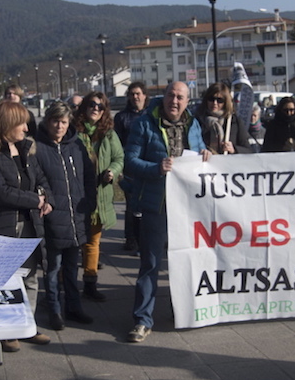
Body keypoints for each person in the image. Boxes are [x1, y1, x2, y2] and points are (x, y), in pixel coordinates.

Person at [124, 82, 210, 343]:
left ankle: (183, 311)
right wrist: (156, 168)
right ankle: (142, 319)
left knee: (185, 261)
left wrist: (207, 153)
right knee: (150, 263)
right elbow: (131, 160)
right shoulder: (144, 123)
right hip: (156, 205)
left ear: (187, 101)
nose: (175, 101)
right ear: (164, 98)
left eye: (180, 97)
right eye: (171, 95)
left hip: (186, 206)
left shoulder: (193, 124)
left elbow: (199, 151)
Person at [0, 100, 53, 351]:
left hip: (29, 223)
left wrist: (46, 199)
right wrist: (35, 200)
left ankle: (27, 324)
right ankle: (6, 330)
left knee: (30, 276)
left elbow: (41, 178)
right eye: (20, 122)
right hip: (2, 226)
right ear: (7, 124)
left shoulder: (27, 149)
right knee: (4, 279)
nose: (26, 127)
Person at [35, 102, 98, 330]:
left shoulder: (76, 146)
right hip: (53, 219)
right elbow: (38, 180)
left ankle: (74, 307)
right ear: (47, 121)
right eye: (55, 121)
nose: (59, 126)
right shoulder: (38, 147)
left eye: (63, 122)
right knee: (52, 269)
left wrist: (89, 202)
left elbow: (89, 176)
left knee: (72, 267)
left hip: (76, 218)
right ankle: (54, 310)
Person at [73, 92, 124, 302]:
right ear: (84, 107)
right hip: (76, 195)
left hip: (100, 195)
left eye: (101, 107)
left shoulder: (109, 134)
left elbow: (119, 157)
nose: (96, 109)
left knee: (93, 242)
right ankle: (64, 283)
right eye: (92, 105)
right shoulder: (74, 132)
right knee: (73, 242)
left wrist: (112, 170)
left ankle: (90, 283)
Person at [114, 81, 148, 252]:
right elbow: (117, 143)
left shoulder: (151, 115)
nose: (135, 97)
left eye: (138, 93)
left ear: (144, 95)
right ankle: (130, 238)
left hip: (149, 165)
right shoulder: (121, 117)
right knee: (131, 205)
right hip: (129, 168)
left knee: (148, 205)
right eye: (132, 94)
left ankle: (147, 238)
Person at [196, 82, 252, 154]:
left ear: (225, 102)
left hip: (228, 163)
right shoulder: (198, 121)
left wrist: (234, 149)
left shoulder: (234, 122)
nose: (215, 103)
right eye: (211, 99)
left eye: (219, 100)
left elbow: (249, 150)